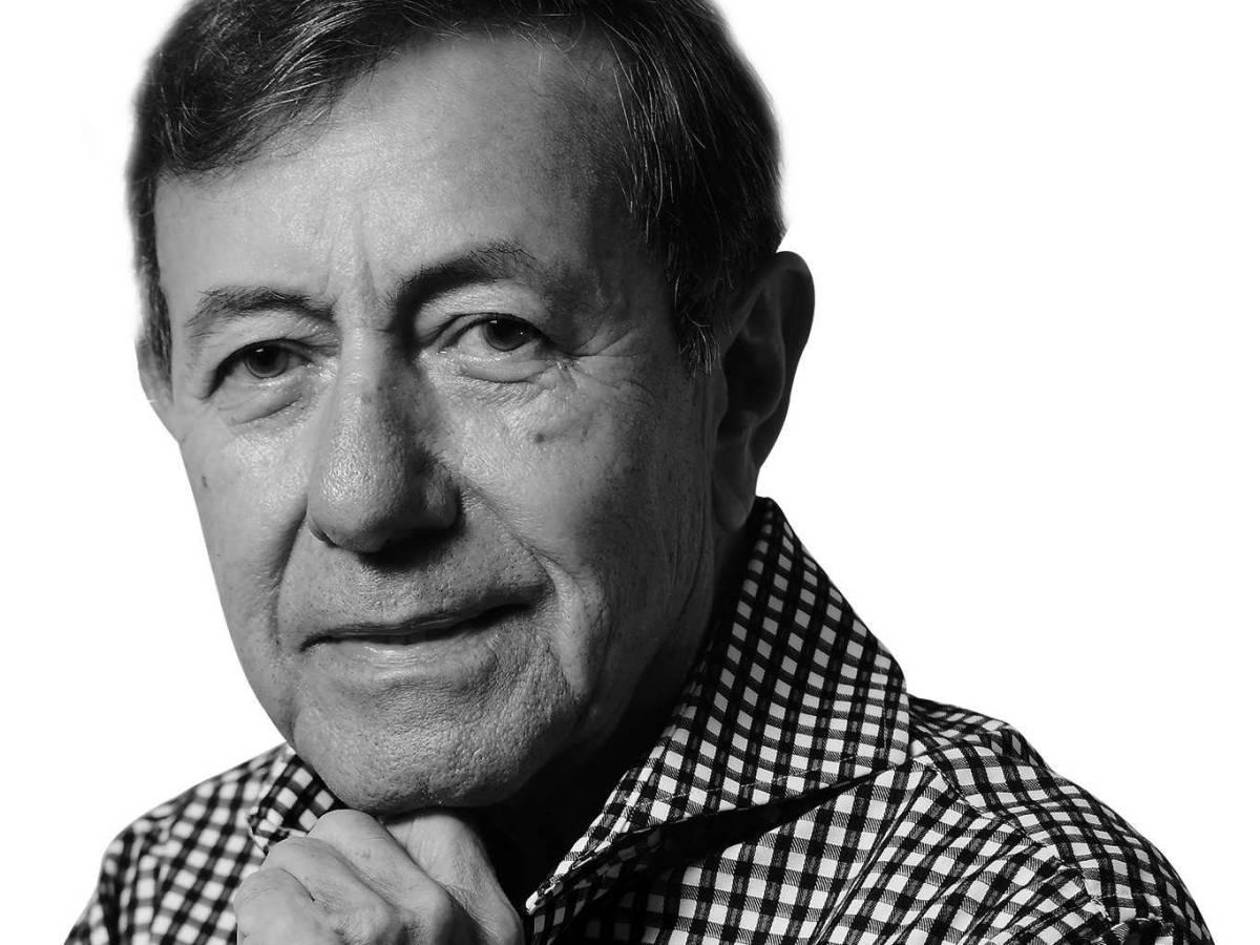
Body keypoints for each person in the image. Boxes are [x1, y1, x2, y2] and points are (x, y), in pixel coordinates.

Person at [69, 1, 1212, 943]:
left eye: (497, 335)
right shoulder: (166, 887)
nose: (364, 498)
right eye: (266, 358)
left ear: (743, 379)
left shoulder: (1035, 911)